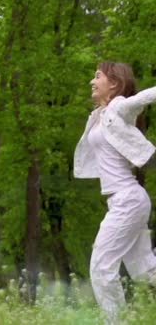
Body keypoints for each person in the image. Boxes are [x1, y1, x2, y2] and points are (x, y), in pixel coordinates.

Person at [74, 61, 156, 321]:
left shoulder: (118, 107)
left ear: (114, 83)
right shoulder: (97, 116)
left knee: (101, 267)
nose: (91, 81)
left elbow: (143, 97)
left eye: (97, 76)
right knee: (146, 271)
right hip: (123, 200)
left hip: (128, 200)